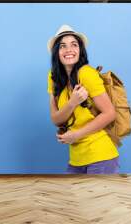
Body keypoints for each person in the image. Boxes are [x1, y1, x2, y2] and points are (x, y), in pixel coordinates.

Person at [47, 24, 119, 174]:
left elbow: (110, 113)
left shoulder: (87, 74)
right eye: (62, 46)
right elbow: (56, 119)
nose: (69, 50)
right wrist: (73, 102)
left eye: (74, 45)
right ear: (56, 52)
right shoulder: (53, 77)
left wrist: (76, 135)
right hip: (76, 159)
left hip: (100, 155)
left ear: (80, 50)